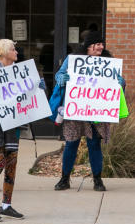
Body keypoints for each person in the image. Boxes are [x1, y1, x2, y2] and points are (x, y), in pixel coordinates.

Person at [0, 38, 43, 222]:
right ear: (4, 53)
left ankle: (6, 205)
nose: (17, 52)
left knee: (11, 166)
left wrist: (37, 89)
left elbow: (23, 96)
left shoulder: (18, 72)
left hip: (14, 125)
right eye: (13, 49)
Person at [53, 29, 124, 192]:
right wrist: (62, 78)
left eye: (101, 44)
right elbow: (59, 75)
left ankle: (98, 180)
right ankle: (64, 179)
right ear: (88, 46)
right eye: (97, 44)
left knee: (94, 145)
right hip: (76, 109)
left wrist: (121, 82)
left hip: (96, 111)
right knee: (71, 143)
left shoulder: (107, 61)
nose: (101, 47)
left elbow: (115, 84)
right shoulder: (73, 60)